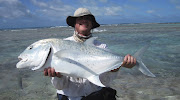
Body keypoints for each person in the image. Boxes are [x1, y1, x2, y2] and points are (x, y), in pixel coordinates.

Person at [44, 8, 136, 100]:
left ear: (91, 24)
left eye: (87, 18)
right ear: (74, 24)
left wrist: (114, 70)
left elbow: (104, 82)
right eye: (80, 18)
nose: (84, 20)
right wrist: (58, 77)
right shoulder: (61, 45)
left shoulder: (102, 47)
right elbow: (59, 87)